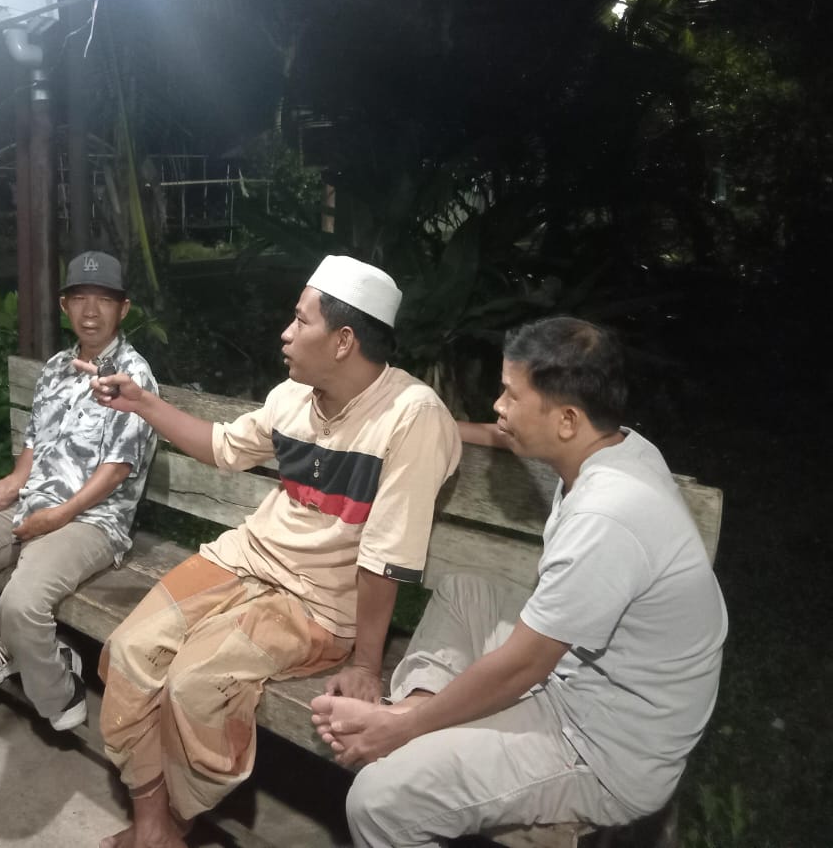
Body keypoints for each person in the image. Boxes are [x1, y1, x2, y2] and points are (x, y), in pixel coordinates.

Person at [80, 256, 462, 848]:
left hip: (317, 602)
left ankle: (173, 819)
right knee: (130, 650)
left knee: (195, 684)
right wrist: (142, 403)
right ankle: (154, 824)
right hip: (244, 558)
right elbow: (223, 447)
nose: (285, 334)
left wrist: (366, 665)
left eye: (300, 321)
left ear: (343, 341)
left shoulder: (411, 418)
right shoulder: (292, 396)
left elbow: (385, 555)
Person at [311, 317, 729, 848]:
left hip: (602, 748)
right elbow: (507, 436)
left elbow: (525, 665)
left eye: (511, 394)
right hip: (583, 677)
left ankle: (405, 727)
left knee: (377, 802)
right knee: (466, 592)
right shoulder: (618, 446)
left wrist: (397, 732)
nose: (498, 406)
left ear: (567, 419)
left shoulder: (607, 516)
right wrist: (428, 427)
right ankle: (417, 711)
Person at [0, 250, 157, 733]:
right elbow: (31, 455)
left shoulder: (134, 375)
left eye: (104, 300)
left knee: (19, 604)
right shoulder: (57, 368)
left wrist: (58, 517)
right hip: (33, 505)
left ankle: (61, 694)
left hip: (92, 520)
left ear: (123, 309)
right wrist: (5, 489)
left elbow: (116, 471)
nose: (91, 311)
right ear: (65, 306)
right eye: (79, 298)